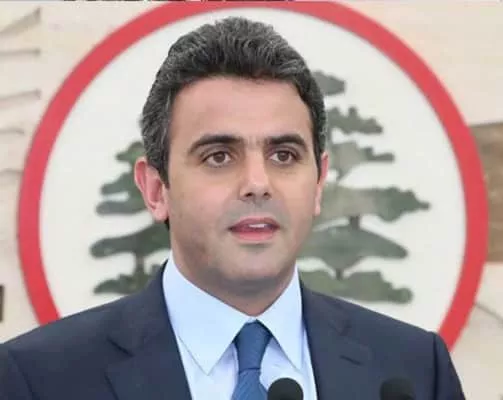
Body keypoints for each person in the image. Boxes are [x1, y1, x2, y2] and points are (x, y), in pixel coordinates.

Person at [0, 16, 465, 400]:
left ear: (319, 181)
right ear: (156, 189)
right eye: (219, 156)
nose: (258, 184)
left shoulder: (413, 371)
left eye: (284, 155)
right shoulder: (38, 379)